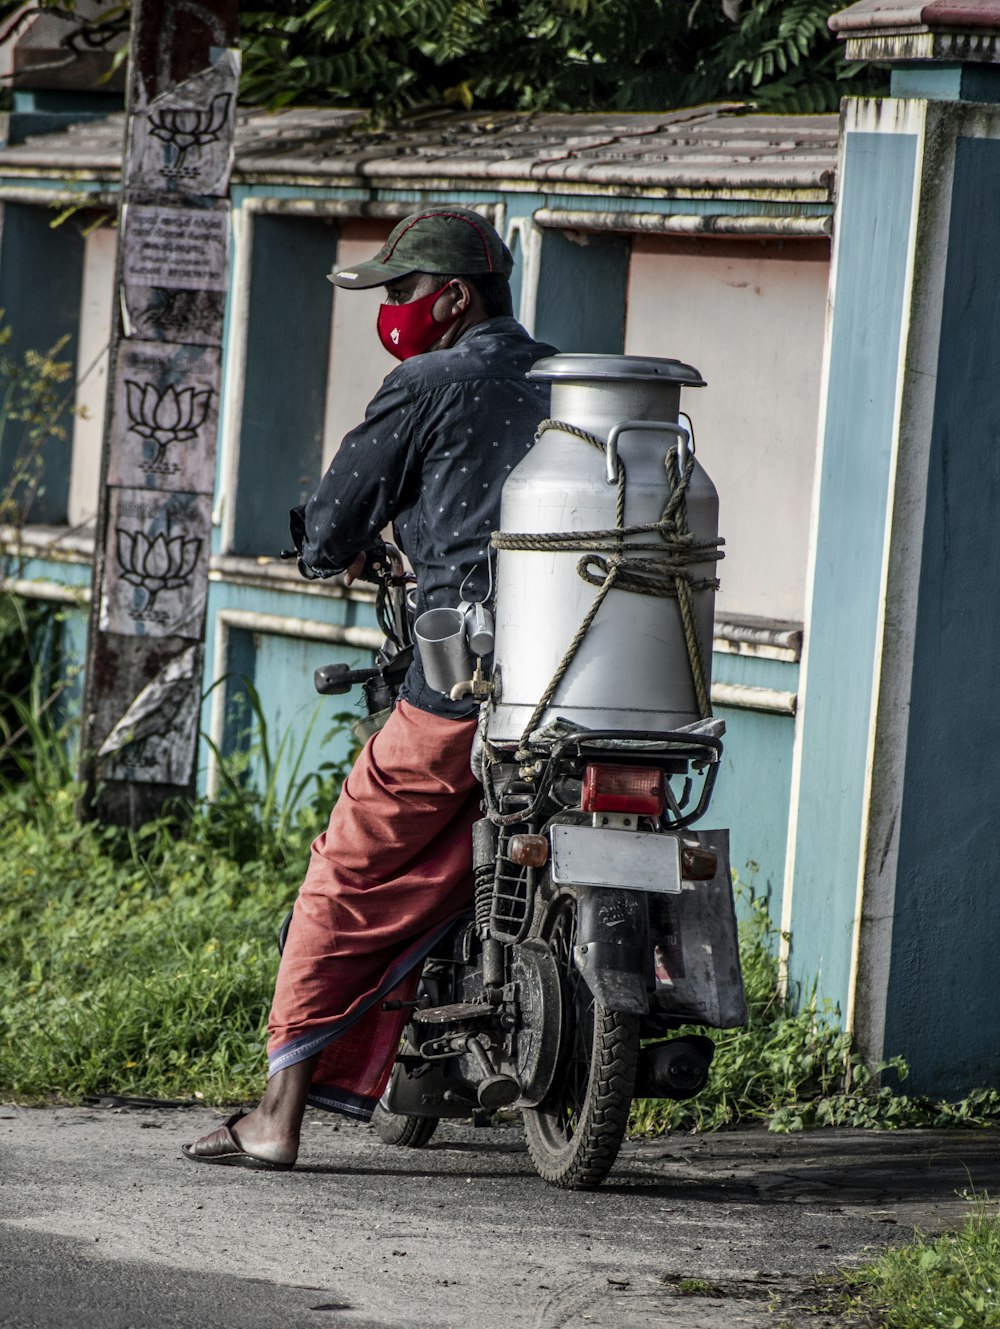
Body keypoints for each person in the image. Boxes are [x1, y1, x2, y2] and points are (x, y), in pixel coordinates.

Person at [182, 206, 556, 1170]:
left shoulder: (425, 381)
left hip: (465, 685)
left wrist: (324, 543)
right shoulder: (569, 382)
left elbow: (337, 523)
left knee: (342, 873)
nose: (390, 310)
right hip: (584, 693)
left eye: (401, 290)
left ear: (455, 298)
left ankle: (276, 1114)